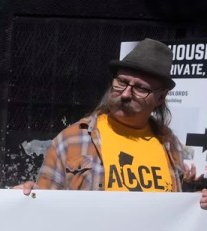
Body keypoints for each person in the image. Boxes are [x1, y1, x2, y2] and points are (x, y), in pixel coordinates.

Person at [22, 38, 207, 210]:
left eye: (140, 88)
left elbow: (177, 211)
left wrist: (197, 201)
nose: (125, 94)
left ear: (160, 98)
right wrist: (26, 197)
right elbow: (44, 206)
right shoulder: (71, 140)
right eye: (121, 82)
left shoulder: (170, 145)